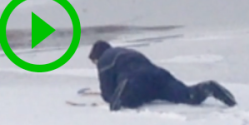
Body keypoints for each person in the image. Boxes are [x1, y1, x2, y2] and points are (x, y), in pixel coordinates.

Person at [88, 40, 237, 111]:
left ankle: (125, 89)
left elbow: (107, 93)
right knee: (187, 96)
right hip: (157, 75)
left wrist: (112, 97)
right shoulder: (127, 52)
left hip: (133, 79)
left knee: (128, 100)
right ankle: (206, 88)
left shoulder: (105, 60)